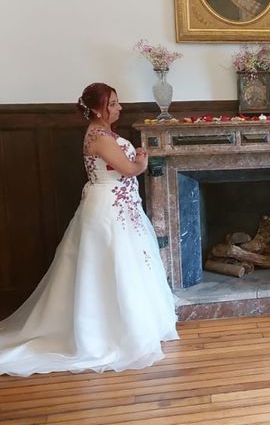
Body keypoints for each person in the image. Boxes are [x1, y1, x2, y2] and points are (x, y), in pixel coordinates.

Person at [0, 83, 179, 376]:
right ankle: (112, 333)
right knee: (112, 264)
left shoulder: (101, 133)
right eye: (113, 104)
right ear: (97, 109)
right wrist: (141, 160)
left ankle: (138, 324)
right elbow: (129, 169)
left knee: (127, 262)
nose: (119, 108)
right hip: (109, 207)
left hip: (120, 205)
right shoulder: (99, 137)